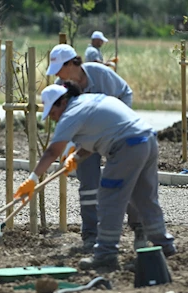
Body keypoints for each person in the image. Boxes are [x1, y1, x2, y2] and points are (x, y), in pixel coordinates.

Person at [14, 81, 176, 272]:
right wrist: (76, 157)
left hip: (127, 147)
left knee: (109, 198)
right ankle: (164, 246)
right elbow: (99, 135)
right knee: (145, 198)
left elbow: (52, 151)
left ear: (63, 102)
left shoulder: (72, 113)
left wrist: (32, 180)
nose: (52, 117)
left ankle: (106, 253)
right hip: (146, 140)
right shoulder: (90, 101)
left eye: (52, 112)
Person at [45, 44, 147, 251]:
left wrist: (121, 127)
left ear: (72, 64)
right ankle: (91, 234)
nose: (57, 75)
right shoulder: (60, 87)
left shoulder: (100, 74)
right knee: (88, 185)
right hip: (87, 140)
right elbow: (65, 119)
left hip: (116, 136)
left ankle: (139, 228)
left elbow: (125, 93)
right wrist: (71, 148)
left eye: (59, 69)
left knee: (123, 180)